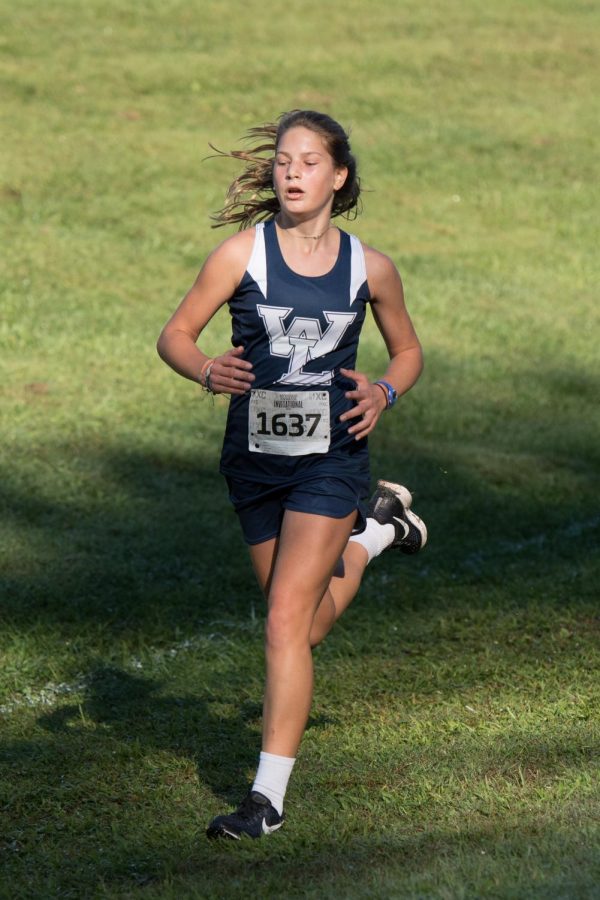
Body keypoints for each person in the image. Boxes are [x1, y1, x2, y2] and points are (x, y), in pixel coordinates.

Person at [157, 109, 427, 840]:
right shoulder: (239, 256)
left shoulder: (369, 268)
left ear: (339, 177)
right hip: (253, 463)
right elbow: (174, 336)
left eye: (309, 161)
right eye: (283, 160)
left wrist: (384, 392)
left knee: (281, 621)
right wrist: (207, 367)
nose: (292, 172)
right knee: (302, 628)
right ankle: (375, 534)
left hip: (332, 461)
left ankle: (265, 801)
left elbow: (407, 352)